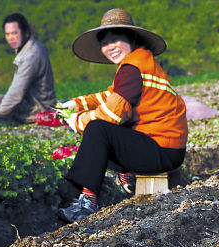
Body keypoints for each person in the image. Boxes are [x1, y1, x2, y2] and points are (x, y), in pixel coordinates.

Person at [57, 8, 188, 222]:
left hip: (162, 150)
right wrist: (76, 103)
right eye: (105, 42)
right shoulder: (139, 63)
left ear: (131, 38)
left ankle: (87, 201)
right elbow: (110, 95)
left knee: (97, 129)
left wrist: (76, 121)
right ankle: (125, 175)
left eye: (115, 39)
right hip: (165, 146)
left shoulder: (132, 69)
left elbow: (110, 115)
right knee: (106, 127)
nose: (110, 47)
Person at [0, 13, 56, 123]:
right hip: (34, 102)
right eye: (7, 34)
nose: (11, 38)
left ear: (26, 33)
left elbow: (15, 94)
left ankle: (14, 121)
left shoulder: (31, 56)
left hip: (39, 109)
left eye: (14, 33)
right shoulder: (32, 46)